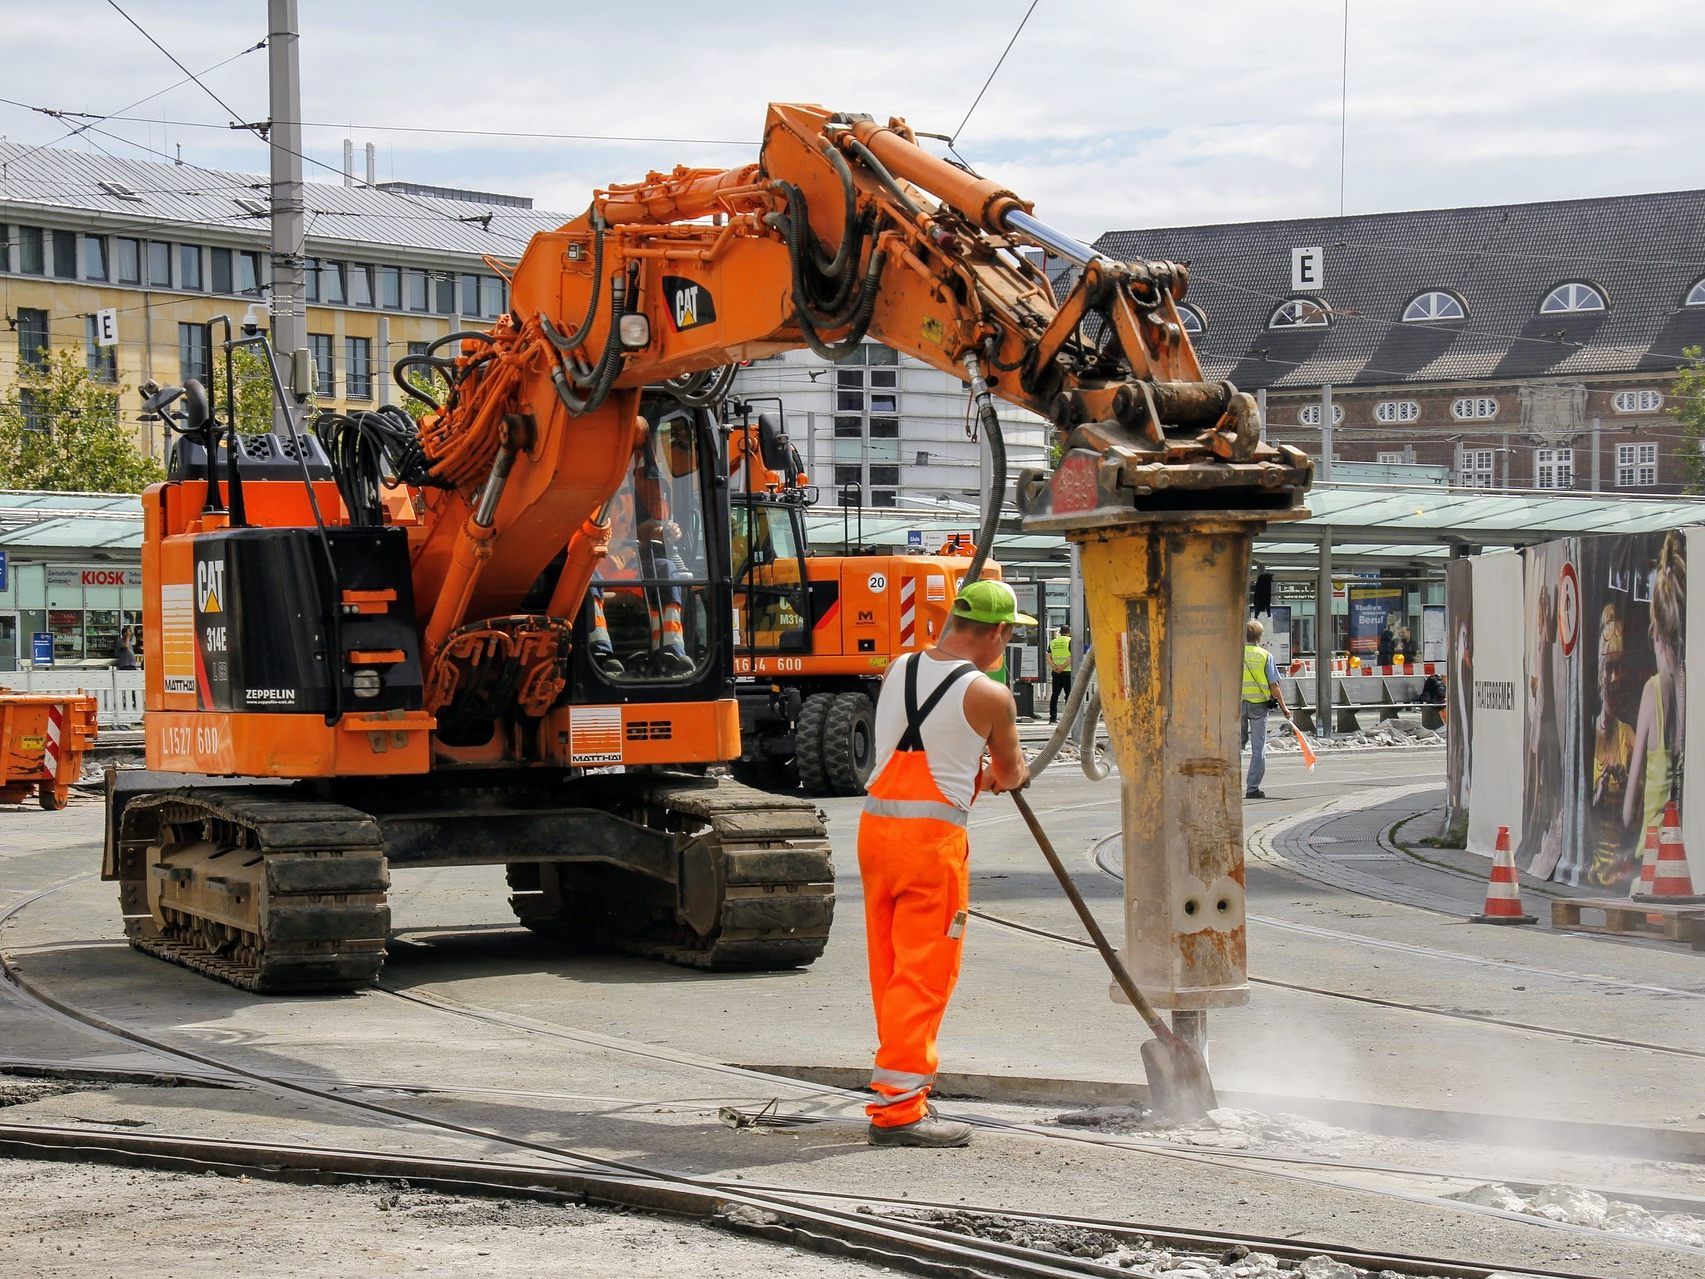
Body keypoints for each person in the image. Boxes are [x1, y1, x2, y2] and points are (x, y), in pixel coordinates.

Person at [859, 579, 1030, 1148]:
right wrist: (991, 770)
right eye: (1010, 636)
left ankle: (894, 1085)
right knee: (925, 972)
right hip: (930, 846)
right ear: (999, 632)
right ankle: (900, 1110)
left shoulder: (897, 668)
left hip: (876, 833)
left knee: (889, 964)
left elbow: (923, 742)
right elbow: (1010, 774)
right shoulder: (989, 695)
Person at [1623, 532, 1686, 869]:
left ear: (1657, 635)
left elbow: (1628, 808)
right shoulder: (1691, 688)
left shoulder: (1653, 691)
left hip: (1653, 857)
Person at [1241, 619, 1292, 800]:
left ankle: (1228, 785)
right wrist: (1284, 708)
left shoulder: (1236, 654)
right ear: (1260, 636)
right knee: (1258, 749)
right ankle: (1252, 788)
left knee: (1235, 747)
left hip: (1237, 705)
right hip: (1258, 707)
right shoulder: (1265, 656)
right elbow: (1274, 686)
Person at [1047, 623, 1072, 723]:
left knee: (1055, 695)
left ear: (1060, 632)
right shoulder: (1070, 641)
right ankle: (1067, 719)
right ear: (1069, 632)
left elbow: (1048, 656)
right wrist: (1063, 667)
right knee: (1069, 695)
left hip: (1056, 672)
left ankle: (1052, 718)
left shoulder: (1053, 642)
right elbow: (1072, 656)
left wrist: (1055, 667)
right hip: (1068, 672)